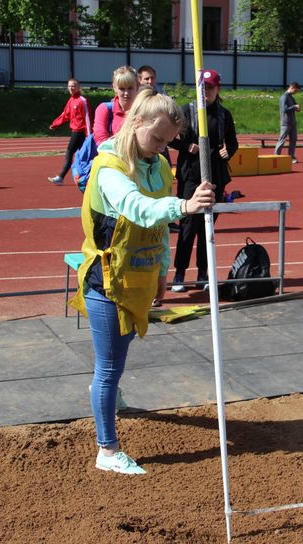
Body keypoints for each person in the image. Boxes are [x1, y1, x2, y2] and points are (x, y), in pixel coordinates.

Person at [68, 89, 215, 474]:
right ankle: (108, 450)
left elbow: (158, 228)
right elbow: (137, 207)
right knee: (109, 368)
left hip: (140, 277)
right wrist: (184, 205)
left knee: (116, 357)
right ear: (136, 123)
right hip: (107, 281)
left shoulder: (159, 165)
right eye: (157, 138)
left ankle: (109, 399)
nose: (161, 148)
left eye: (168, 142)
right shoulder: (109, 170)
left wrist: (162, 271)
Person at [169, 69, 239, 292]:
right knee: (188, 226)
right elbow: (169, 137)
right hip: (191, 175)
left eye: (209, 88)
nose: (205, 92)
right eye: (202, 88)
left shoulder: (223, 114)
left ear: (217, 90)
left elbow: (233, 142)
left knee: (207, 227)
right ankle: (180, 273)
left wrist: (228, 152)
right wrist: (185, 146)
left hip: (216, 176)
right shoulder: (186, 110)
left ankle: (202, 272)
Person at [48, 79, 92, 185]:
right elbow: (65, 114)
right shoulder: (71, 100)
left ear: (78, 87)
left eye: (73, 86)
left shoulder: (82, 101)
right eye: (69, 86)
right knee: (83, 156)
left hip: (80, 132)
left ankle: (61, 177)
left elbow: (88, 118)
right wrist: (55, 124)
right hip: (75, 131)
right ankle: (87, 177)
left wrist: (89, 135)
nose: (71, 88)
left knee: (69, 153)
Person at [93, 66, 139, 145]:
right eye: (122, 88)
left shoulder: (144, 109)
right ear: (114, 87)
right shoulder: (104, 109)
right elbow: (101, 140)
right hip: (111, 155)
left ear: (137, 86)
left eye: (130, 88)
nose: (126, 93)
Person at [274, 82, 301, 163]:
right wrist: (294, 107)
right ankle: (276, 156)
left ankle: (291, 157)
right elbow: (284, 109)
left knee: (293, 140)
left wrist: (297, 108)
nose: (296, 92)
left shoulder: (291, 97)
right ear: (292, 87)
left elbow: (295, 105)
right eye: (296, 90)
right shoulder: (284, 97)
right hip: (285, 122)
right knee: (282, 139)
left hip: (292, 122)